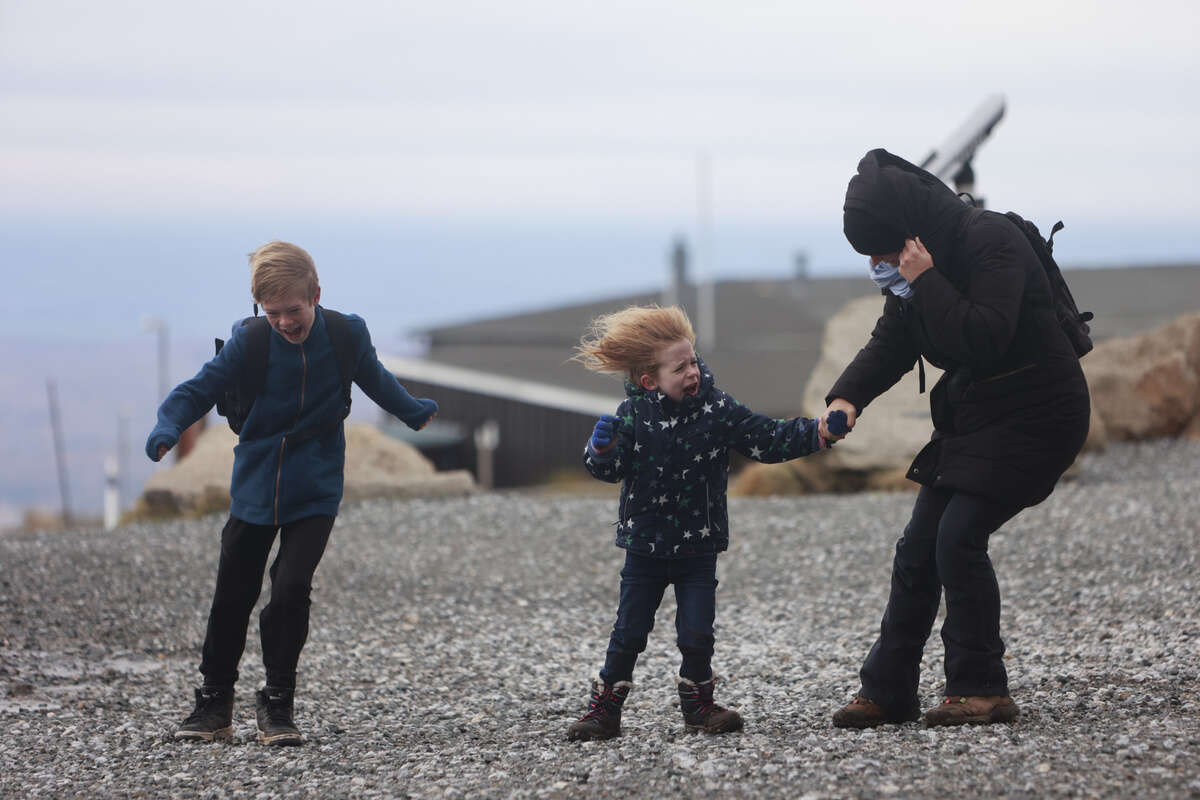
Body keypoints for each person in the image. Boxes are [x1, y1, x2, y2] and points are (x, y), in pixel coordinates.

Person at [823, 149, 1090, 728]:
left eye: (885, 251)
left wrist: (926, 280)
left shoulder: (991, 241)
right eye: (871, 255)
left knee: (958, 537)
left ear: (912, 233)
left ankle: (981, 688)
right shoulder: (918, 267)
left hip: (1040, 412)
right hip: (978, 414)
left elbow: (985, 336)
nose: (879, 263)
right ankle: (888, 690)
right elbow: (894, 338)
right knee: (918, 548)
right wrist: (847, 397)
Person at [145, 241, 438, 745]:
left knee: (290, 590)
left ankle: (277, 704)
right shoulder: (251, 340)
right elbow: (201, 387)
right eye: (272, 312)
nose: (283, 321)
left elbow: (374, 378)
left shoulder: (346, 334)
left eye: (293, 310)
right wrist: (169, 424)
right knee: (232, 595)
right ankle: (214, 703)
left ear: (316, 294)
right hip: (256, 481)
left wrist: (412, 410)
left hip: (317, 482)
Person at [566, 305, 832, 741]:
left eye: (693, 361)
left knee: (697, 634)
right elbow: (610, 471)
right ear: (650, 381)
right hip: (644, 548)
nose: (693, 372)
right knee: (628, 633)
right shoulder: (632, 416)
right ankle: (604, 711)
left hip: (698, 548)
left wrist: (818, 432)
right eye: (680, 368)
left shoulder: (717, 408)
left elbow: (765, 438)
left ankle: (699, 708)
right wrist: (602, 451)